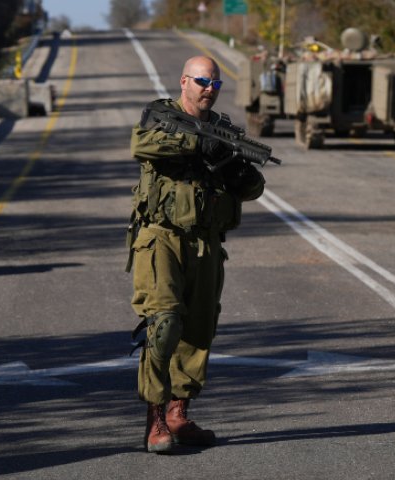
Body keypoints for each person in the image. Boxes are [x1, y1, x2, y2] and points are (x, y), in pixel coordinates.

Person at [127, 56, 266, 453]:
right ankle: (154, 419)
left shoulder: (223, 130)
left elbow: (253, 187)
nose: (209, 89)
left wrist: (231, 164)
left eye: (216, 84)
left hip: (207, 242)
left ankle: (177, 412)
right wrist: (195, 143)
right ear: (184, 80)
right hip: (162, 237)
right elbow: (141, 143)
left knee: (199, 330)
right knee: (165, 322)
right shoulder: (160, 116)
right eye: (203, 81)